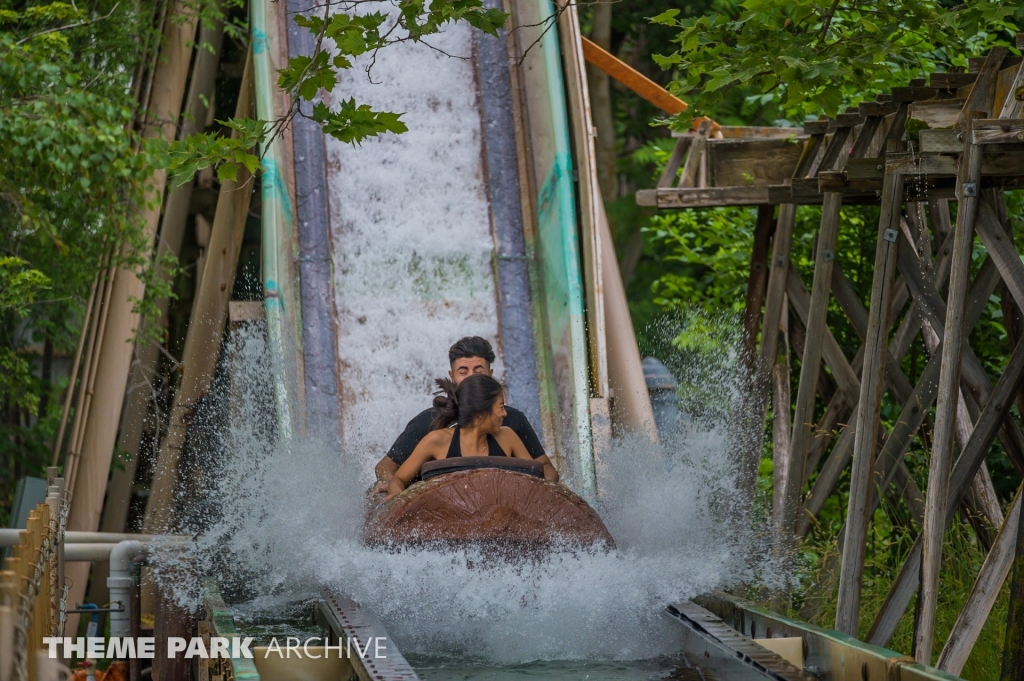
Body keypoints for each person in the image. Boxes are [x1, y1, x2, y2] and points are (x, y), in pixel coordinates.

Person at [373, 337, 558, 491]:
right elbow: (386, 467)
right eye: (463, 372)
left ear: (491, 374)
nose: (471, 377)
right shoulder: (429, 423)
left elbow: (544, 469)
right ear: (452, 376)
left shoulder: (511, 422)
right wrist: (397, 490)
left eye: (479, 371)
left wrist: (544, 491)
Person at [385, 374, 545, 499]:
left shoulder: (508, 437)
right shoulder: (436, 441)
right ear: (480, 415)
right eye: (501, 407)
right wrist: (398, 497)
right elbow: (398, 480)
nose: (504, 413)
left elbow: (535, 483)